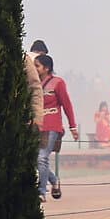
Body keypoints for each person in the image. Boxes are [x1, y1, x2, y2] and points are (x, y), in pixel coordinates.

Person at [33, 52, 77, 199]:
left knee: (42, 157)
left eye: (37, 66)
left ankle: (42, 191)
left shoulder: (58, 83)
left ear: (46, 68)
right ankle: (54, 180)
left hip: (52, 125)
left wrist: (73, 127)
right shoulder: (33, 83)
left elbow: (67, 105)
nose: (35, 68)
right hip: (36, 125)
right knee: (35, 158)